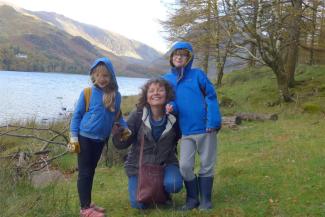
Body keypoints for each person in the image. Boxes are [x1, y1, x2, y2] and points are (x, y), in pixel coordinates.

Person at [163, 41, 222, 211]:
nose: (179, 57)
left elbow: (211, 97)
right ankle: (192, 199)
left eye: (183, 55)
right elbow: (171, 100)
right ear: (171, 58)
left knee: (206, 164)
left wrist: (213, 122)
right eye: (175, 55)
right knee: (185, 166)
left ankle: (205, 200)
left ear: (189, 58)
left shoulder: (198, 75)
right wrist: (171, 107)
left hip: (206, 128)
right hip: (186, 132)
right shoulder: (167, 79)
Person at [112, 78, 183, 209]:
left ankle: (163, 192)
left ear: (167, 95)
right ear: (147, 96)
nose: (156, 93)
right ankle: (150, 190)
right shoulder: (138, 115)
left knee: (174, 184)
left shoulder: (173, 117)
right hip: (138, 166)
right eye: (151, 91)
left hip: (166, 163)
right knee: (138, 205)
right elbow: (122, 142)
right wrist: (118, 132)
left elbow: (179, 136)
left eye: (160, 90)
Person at [70, 57, 127, 217]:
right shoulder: (87, 93)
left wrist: (125, 128)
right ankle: (85, 209)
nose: (102, 79)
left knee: (91, 171)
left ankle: (88, 204)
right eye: (98, 75)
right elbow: (76, 116)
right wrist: (73, 138)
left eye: (106, 76)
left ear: (112, 77)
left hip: (101, 140)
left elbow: (118, 116)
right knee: (84, 172)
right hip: (84, 138)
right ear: (93, 75)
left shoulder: (117, 95)